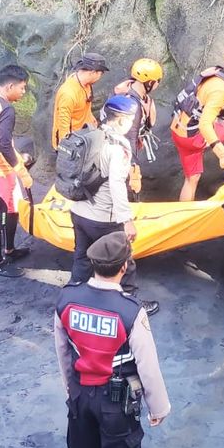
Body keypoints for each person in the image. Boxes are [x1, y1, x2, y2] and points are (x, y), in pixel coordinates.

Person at [54, 232, 170, 448]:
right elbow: (147, 364)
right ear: (124, 266)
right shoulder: (130, 311)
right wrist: (159, 407)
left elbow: (62, 350)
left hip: (81, 394)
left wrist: (70, 388)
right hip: (116, 402)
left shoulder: (67, 299)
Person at [67, 96, 159, 315]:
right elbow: (117, 185)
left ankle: (72, 301)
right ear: (120, 121)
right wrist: (126, 221)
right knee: (123, 261)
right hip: (103, 218)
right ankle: (129, 304)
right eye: (130, 119)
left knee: (82, 258)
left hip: (78, 211)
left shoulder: (88, 136)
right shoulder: (118, 148)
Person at [170, 45, 224, 201]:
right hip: (195, 137)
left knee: (191, 179)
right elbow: (205, 124)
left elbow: (203, 97)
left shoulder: (213, 73)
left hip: (178, 131)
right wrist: (223, 155)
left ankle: (183, 219)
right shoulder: (220, 90)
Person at [0, 64, 35, 278]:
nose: (23, 92)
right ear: (10, 85)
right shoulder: (7, 110)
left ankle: (9, 250)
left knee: (11, 212)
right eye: (22, 88)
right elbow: (3, 144)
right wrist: (23, 171)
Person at [110, 58, 163, 199]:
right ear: (150, 82)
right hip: (118, 150)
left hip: (115, 144)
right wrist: (134, 171)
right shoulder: (133, 106)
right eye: (158, 81)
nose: (158, 84)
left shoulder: (126, 90)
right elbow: (129, 138)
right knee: (120, 183)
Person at [52, 52, 109, 150]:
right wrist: (66, 150)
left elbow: (86, 105)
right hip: (71, 142)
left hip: (83, 135)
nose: (100, 77)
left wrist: (92, 120)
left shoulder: (86, 85)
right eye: (100, 74)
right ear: (93, 72)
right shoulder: (68, 94)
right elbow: (63, 126)